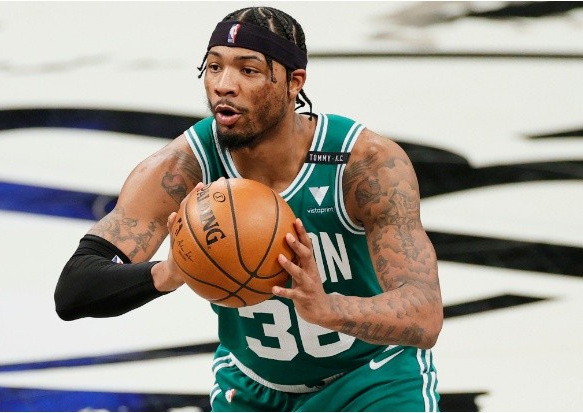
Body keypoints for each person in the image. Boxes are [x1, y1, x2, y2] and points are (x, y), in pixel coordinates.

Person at [55, 6, 443, 412]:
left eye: (248, 70)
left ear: (294, 82)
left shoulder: (363, 164)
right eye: (214, 67)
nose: (224, 85)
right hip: (253, 387)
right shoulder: (183, 168)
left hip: (371, 379)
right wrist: (167, 273)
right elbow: (74, 290)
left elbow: (424, 314)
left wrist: (329, 308)